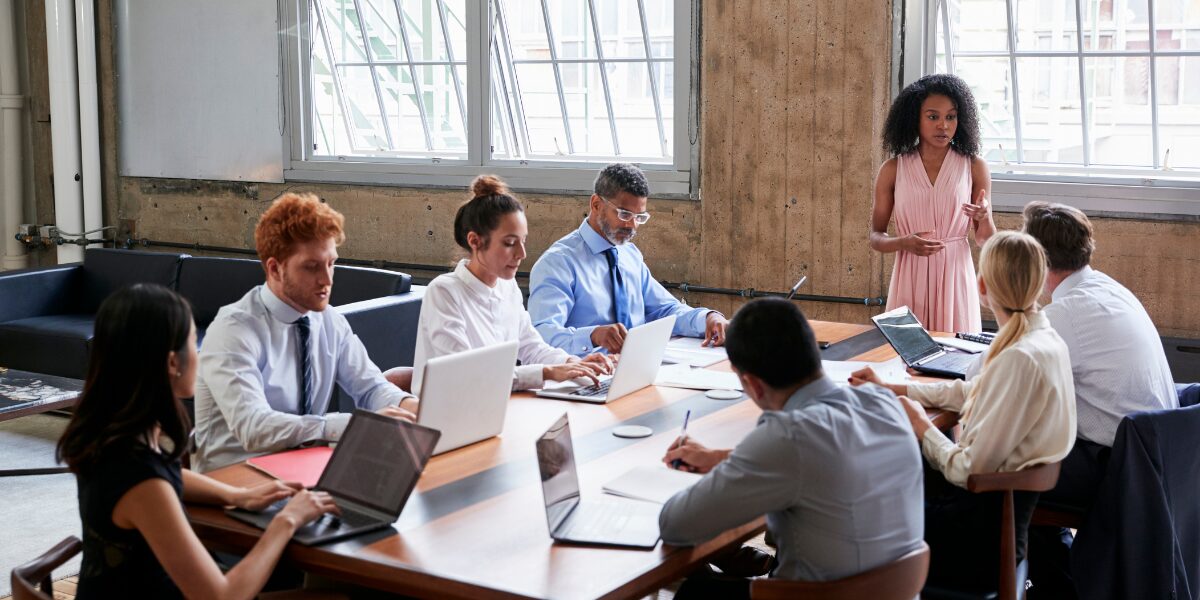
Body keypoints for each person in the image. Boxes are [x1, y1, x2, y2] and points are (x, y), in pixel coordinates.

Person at [58, 284, 339, 599]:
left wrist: (239, 495)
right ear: (172, 363)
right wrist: (287, 520)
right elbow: (221, 596)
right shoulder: (141, 480)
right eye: (194, 342)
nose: (200, 353)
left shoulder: (111, 434)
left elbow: (170, 478)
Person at [850, 231, 1076, 591]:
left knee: (849, 513)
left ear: (982, 286)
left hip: (975, 542)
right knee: (891, 472)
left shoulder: (1017, 356)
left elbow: (966, 469)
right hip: (999, 519)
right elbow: (975, 391)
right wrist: (897, 388)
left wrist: (923, 427)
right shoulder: (1043, 338)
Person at [658, 298, 925, 599]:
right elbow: (819, 462)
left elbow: (675, 525)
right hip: (896, 589)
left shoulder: (787, 436)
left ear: (753, 384)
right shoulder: (885, 403)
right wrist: (723, 459)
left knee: (694, 589)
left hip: (817, 596)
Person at [193, 192, 416, 473]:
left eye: (331, 263)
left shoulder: (329, 321)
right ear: (275, 268)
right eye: (311, 267)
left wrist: (409, 407)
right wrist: (349, 427)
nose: (326, 280)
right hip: (233, 481)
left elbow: (371, 387)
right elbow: (253, 427)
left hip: (306, 471)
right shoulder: (234, 329)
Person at [1020, 201, 1176, 599]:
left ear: (1037, 257)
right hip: (1154, 459)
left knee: (1005, 470)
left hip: (1117, 467)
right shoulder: (1106, 287)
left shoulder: (1068, 314)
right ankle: (1063, 585)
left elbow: (1004, 379)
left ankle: (1044, 586)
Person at [400, 175, 613, 394]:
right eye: (510, 243)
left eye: (523, 241)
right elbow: (464, 372)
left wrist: (571, 362)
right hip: (451, 414)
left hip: (497, 403)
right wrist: (546, 372)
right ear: (475, 241)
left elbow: (532, 346)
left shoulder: (507, 287)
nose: (522, 254)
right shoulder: (444, 292)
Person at [528, 163, 727, 355]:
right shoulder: (558, 263)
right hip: (586, 374)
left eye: (640, 217)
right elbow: (542, 335)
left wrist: (707, 318)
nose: (632, 225)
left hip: (635, 368)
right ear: (596, 204)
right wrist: (592, 336)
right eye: (624, 214)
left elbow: (665, 309)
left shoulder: (629, 255)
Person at [871, 73, 995, 333]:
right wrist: (903, 243)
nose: (943, 125)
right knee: (905, 360)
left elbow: (985, 239)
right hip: (909, 276)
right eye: (933, 116)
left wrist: (984, 218)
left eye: (951, 117)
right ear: (914, 119)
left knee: (958, 361)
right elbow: (876, 237)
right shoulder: (893, 169)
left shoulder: (974, 167)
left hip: (955, 276)